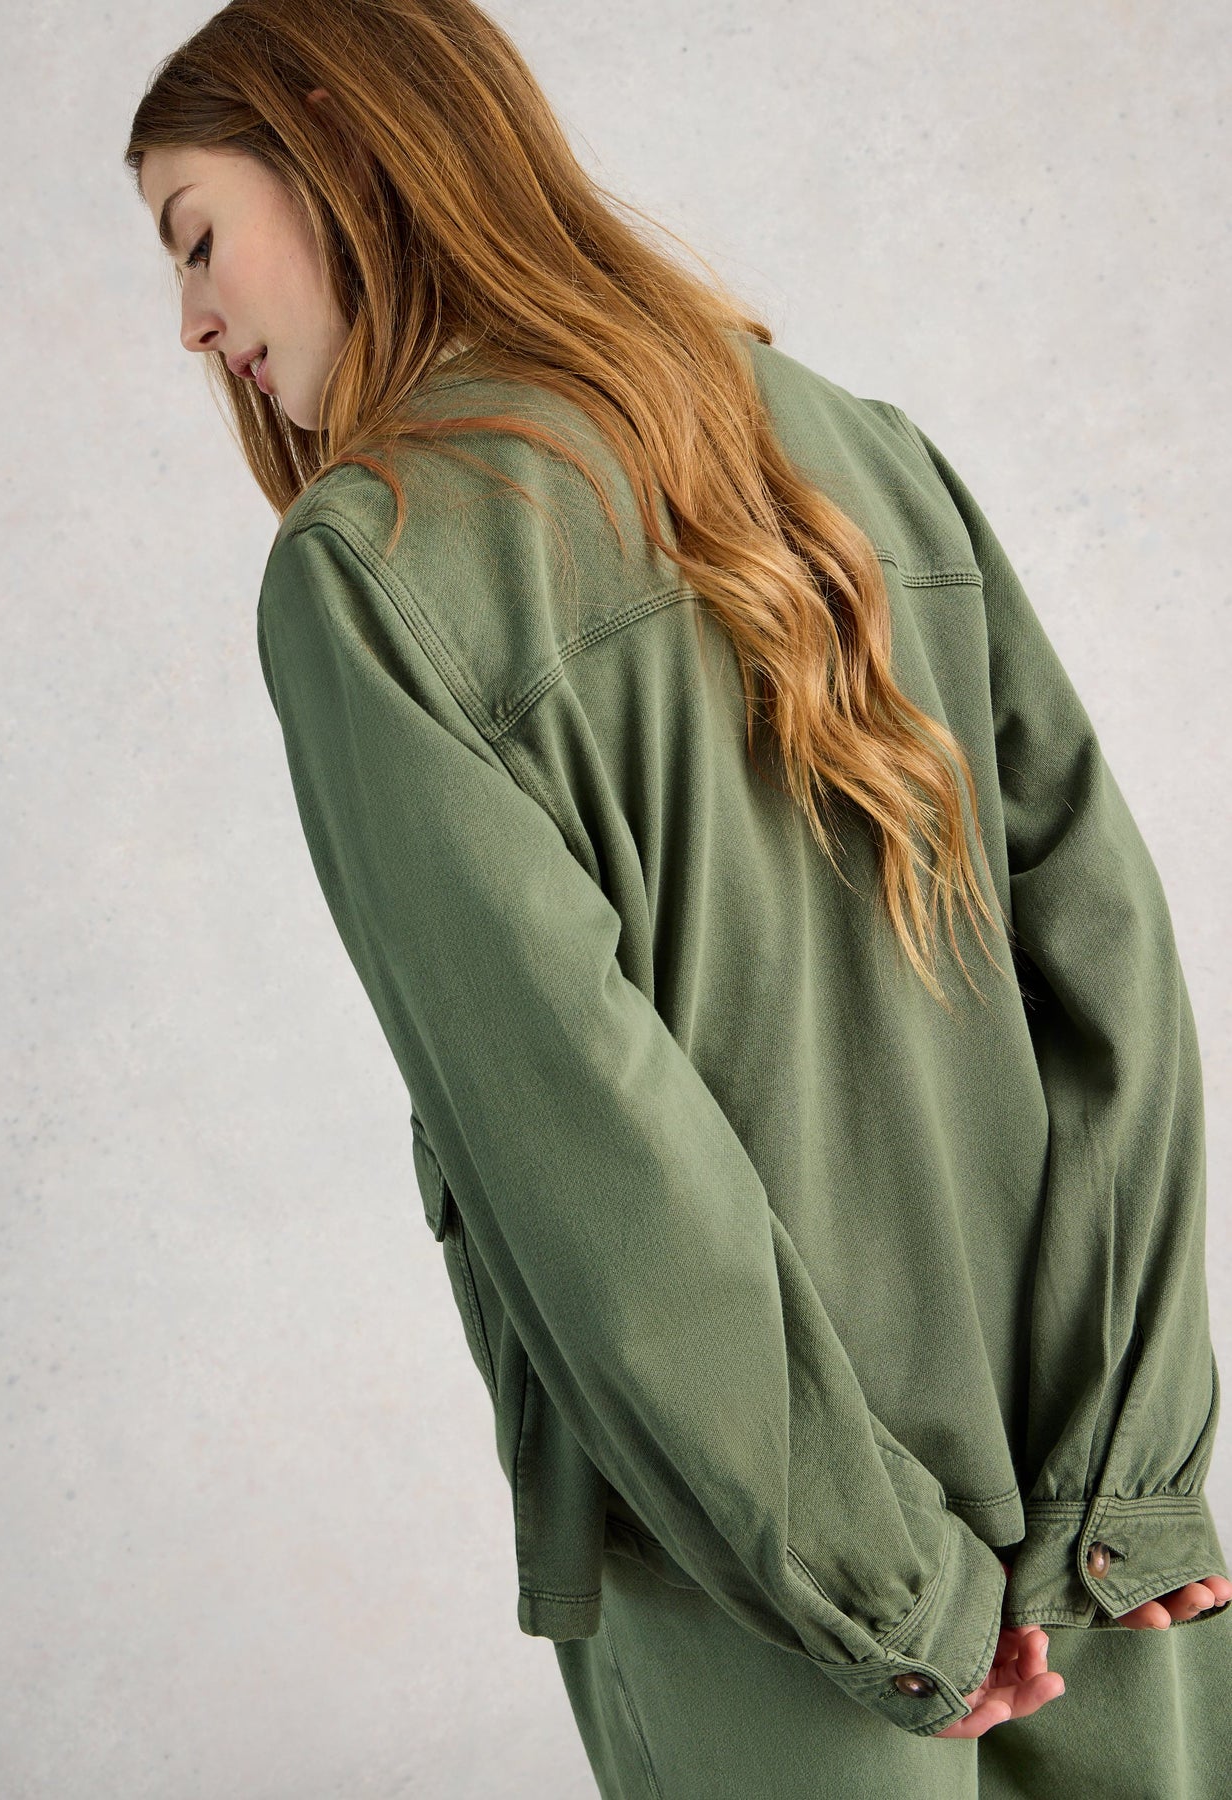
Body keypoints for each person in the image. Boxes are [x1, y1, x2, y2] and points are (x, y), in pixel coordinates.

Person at [125, 1, 1232, 1791]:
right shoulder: (852, 440)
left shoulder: (373, 569)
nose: (188, 320)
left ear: (337, 143)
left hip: (771, 1570)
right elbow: (1110, 955)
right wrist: (1132, 1475)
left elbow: (586, 1149)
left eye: (195, 237)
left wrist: (881, 1588)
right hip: (1080, 1509)